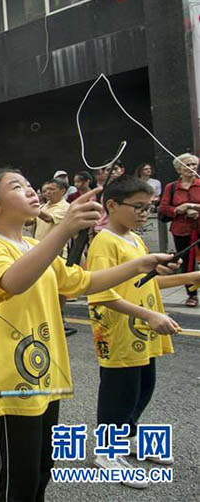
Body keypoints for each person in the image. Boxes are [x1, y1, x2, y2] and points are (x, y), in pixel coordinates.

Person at [0, 169, 176, 502]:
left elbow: (82, 281)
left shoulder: (36, 245)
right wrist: (64, 229)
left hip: (47, 372)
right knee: (17, 477)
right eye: (17, 187)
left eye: (28, 183)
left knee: (40, 470)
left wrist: (141, 265)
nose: (31, 190)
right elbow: (12, 282)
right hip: (13, 378)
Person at [86, 176, 181, 487]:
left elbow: (148, 282)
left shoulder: (134, 239)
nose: (144, 213)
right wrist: (150, 316)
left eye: (149, 207)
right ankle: (106, 451)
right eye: (138, 207)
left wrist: (192, 275)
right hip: (119, 332)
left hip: (141, 332)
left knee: (144, 386)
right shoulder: (104, 241)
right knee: (120, 392)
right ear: (111, 205)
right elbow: (100, 294)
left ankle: (126, 435)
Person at [157, 153, 200, 307]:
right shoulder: (172, 187)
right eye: (187, 164)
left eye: (194, 164)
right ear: (178, 169)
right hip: (181, 230)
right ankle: (192, 294)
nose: (192, 168)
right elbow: (163, 208)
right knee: (187, 263)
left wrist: (191, 206)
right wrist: (178, 211)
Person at [32, 178, 69, 242]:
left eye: (52, 189)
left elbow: (48, 218)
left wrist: (32, 207)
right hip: (38, 246)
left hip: (55, 249)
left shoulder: (66, 207)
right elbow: (30, 222)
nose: (48, 192)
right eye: (47, 189)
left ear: (63, 191)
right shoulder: (42, 207)